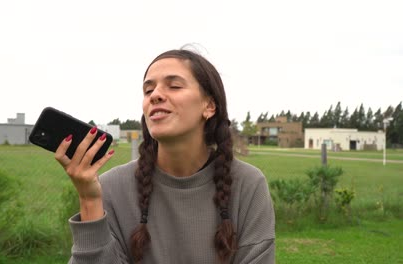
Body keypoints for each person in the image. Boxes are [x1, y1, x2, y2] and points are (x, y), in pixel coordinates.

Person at [54, 48, 275, 263]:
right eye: (148, 90)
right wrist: (89, 200)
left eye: (174, 86)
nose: (155, 95)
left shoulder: (248, 185)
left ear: (209, 106)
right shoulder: (110, 188)